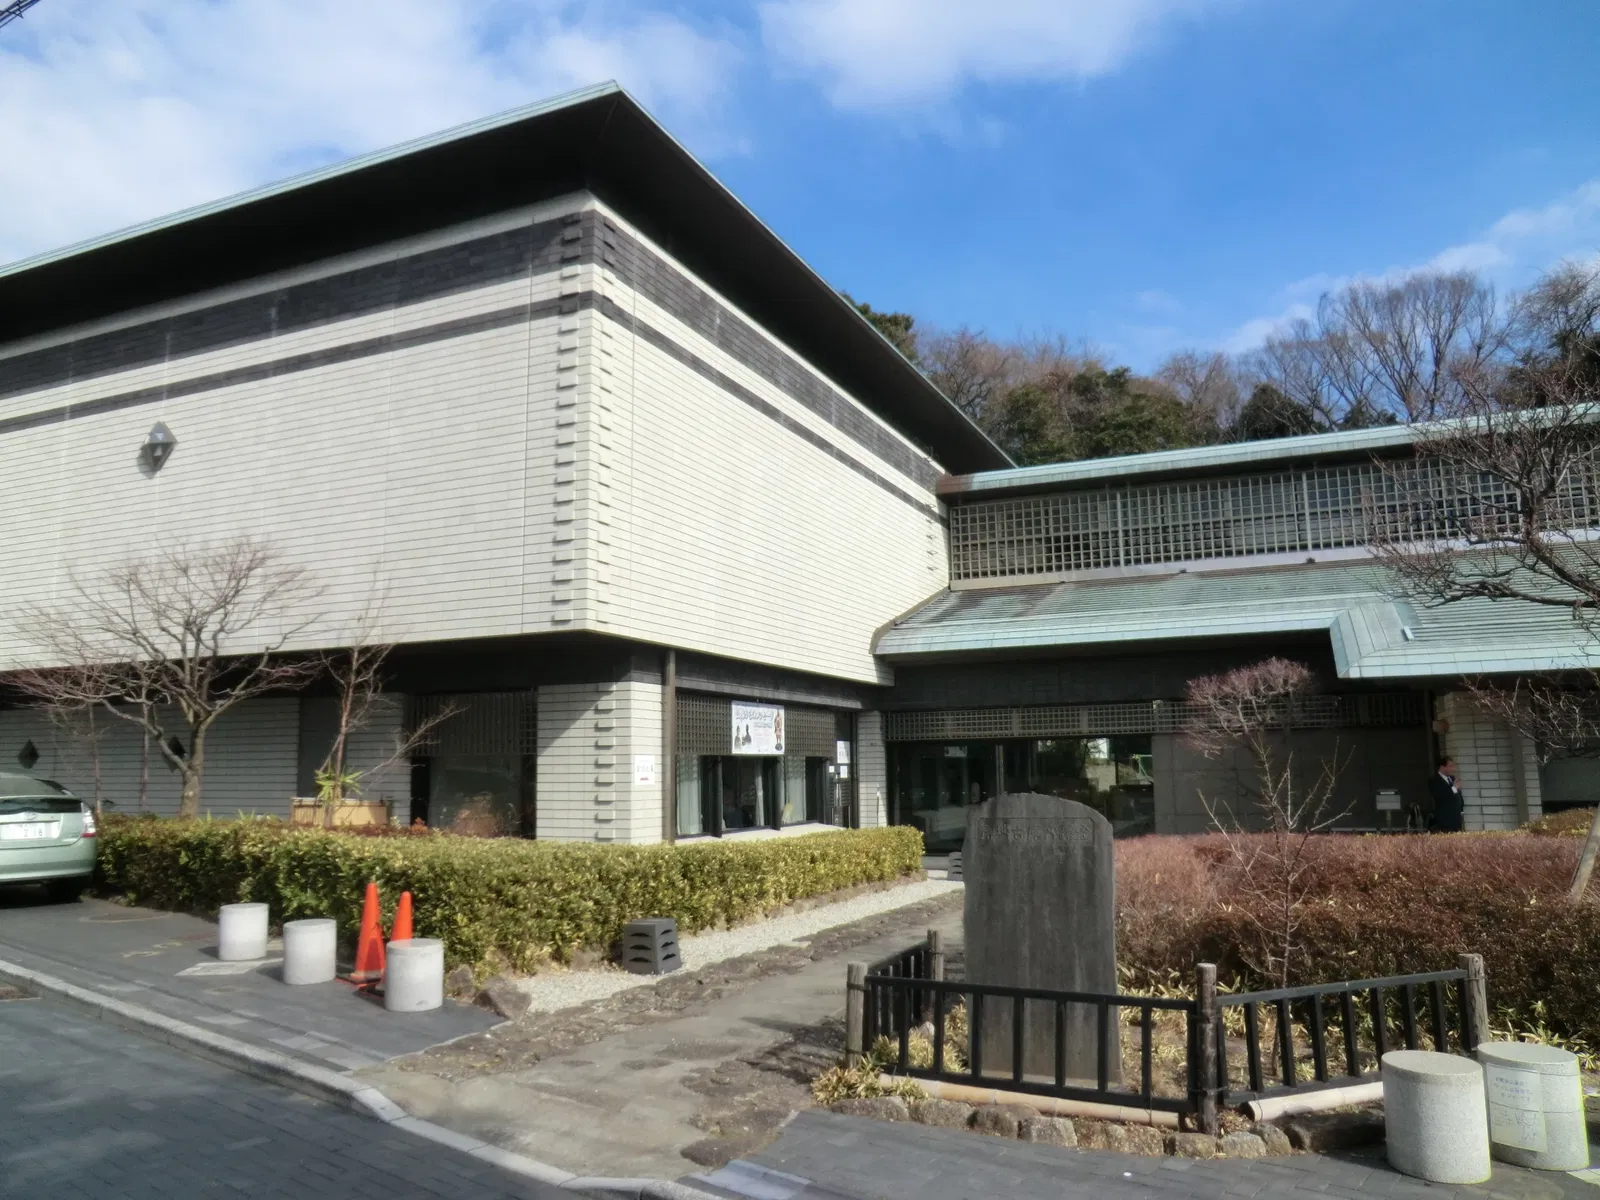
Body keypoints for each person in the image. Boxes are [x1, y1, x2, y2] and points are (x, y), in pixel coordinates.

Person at [1427, 756, 1465, 832]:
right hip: (1444, 821)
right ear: (1442, 767)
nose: (1453, 769)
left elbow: (1457, 796)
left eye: (1453, 766)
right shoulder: (1434, 780)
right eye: (1450, 766)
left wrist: (1461, 809)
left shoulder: (1452, 778)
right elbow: (1441, 796)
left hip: (1456, 820)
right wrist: (1455, 788)